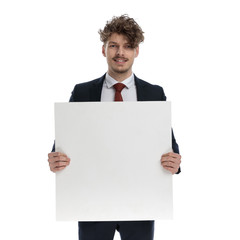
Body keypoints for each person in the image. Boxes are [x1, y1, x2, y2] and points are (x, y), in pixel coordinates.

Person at [48, 14, 181, 240]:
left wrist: (175, 162)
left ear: (136, 51)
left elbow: (170, 147)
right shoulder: (82, 92)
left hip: (140, 204)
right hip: (93, 205)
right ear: (103, 50)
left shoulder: (153, 93)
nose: (120, 53)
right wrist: (55, 159)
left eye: (128, 46)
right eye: (114, 46)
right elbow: (63, 145)